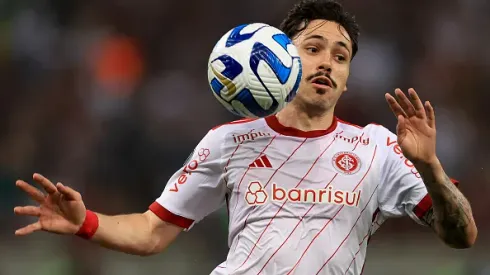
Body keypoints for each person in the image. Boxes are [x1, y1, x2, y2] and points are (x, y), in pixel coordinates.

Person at [14, 0, 477, 274]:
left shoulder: (378, 146)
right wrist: (86, 222)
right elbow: (153, 231)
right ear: (280, 57)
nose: (327, 63)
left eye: (340, 56)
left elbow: (462, 235)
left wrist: (430, 167)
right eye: (312, 49)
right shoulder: (227, 142)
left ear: (347, 77)